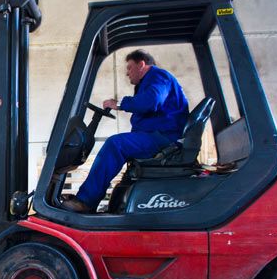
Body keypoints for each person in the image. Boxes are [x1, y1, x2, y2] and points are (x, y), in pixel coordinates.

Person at [62, 49, 189, 213]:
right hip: (159, 135)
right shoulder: (150, 81)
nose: (127, 73)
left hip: (165, 138)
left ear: (141, 64)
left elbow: (151, 101)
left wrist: (120, 104)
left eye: (129, 67)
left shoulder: (158, 76)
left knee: (116, 144)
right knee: (120, 143)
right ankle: (90, 199)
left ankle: (86, 201)